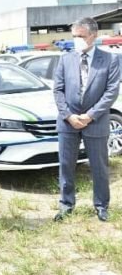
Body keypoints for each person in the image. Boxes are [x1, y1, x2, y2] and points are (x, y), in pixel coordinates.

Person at [53, 17, 120, 222]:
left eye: (80, 36)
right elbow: (58, 90)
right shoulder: (65, 59)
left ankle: (101, 206)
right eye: (74, 36)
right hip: (68, 122)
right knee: (66, 165)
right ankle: (66, 204)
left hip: (96, 122)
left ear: (94, 35)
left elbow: (111, 92)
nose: (77, 40)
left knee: (99, 166)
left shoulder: (110, 60)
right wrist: (69, 115)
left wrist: (90, 115)